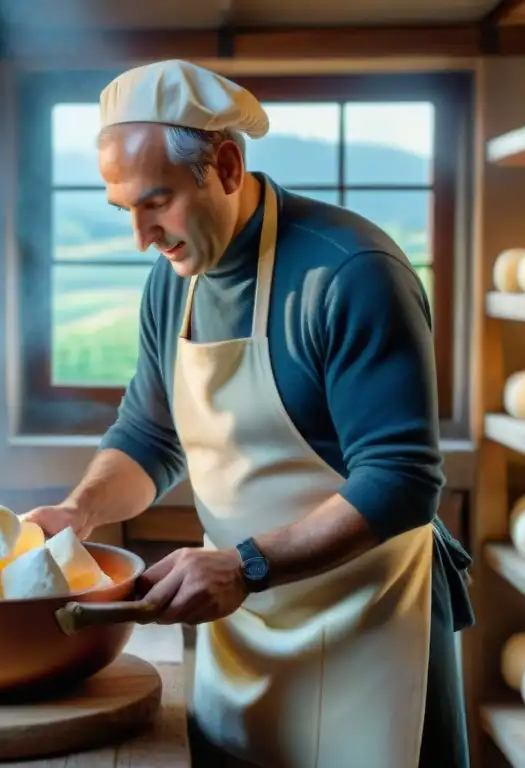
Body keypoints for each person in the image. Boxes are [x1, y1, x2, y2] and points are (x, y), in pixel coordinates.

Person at [25, 59, 473, 768]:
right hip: (243, 614)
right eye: (125, 211)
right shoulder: (172, 283)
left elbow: (402, 480)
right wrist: (81, 510)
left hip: (371, 621)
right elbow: (149, 438)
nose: (142, 235)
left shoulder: (351, 273)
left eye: (157, 202)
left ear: (227, 166)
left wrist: (247, 565)